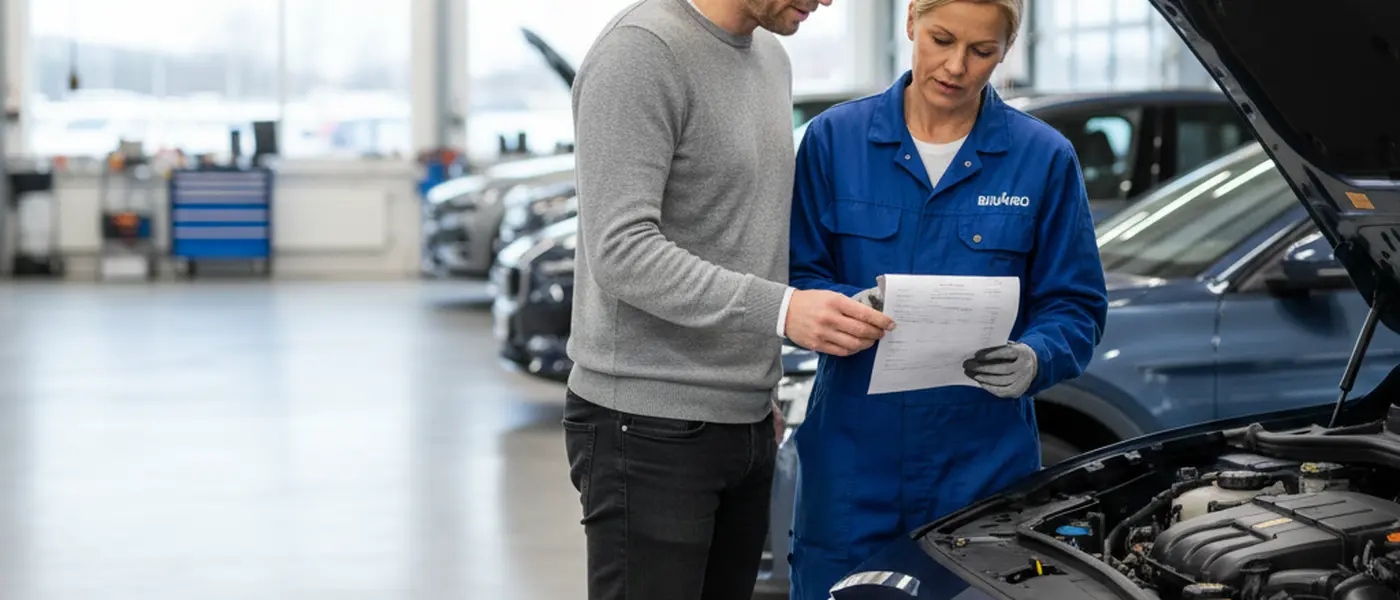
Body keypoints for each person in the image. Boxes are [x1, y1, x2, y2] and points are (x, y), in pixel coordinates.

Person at [562, 0, 896, 599]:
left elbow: (744, 233)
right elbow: (622, 251)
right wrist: (783, 310)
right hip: (646, 423)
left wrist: (754, 384)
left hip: (743, 418)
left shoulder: (770, 56)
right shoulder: (640, 52)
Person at [786, 0, 1109, 597]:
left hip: (982, 461)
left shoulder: (1042, 158)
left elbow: (1076, 305)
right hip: (854, 456)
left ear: (1005, 52)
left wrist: (1038, 357)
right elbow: (798, 278)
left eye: (982, 51)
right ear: (910, 22)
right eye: (940, 39)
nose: (956, 65)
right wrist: (842, 306)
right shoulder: (835, 140)